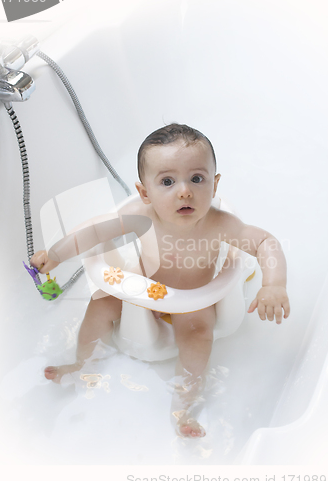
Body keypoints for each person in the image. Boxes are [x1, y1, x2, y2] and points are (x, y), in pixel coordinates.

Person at [31, 123, 290, 438]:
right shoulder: (141, 216)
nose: (184, 190)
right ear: (144, 193)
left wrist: (273, 284)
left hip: (192, 302)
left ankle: (183, 408)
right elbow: (95, 231)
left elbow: (266, 243)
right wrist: (56, 255)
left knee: (197, 338)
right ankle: (83, 365)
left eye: (197, 178)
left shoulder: (220, 225)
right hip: (145, 290)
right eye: (167, 181)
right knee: (100, 303)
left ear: (215, 184)